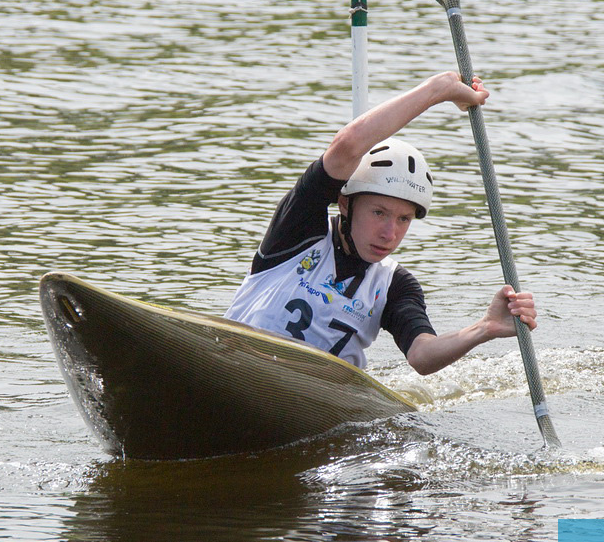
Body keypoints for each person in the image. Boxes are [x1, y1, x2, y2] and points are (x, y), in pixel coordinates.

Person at [224, 71, 537, 375]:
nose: (390, 234)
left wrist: (485, 328)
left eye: (404, 219)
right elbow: (347, 146)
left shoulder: (394, 285)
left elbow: (422, 356)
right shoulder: (299, 229)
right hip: (237, 361)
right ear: (345, 203)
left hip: (315, 395)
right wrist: (436, 91)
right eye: (379, 213)